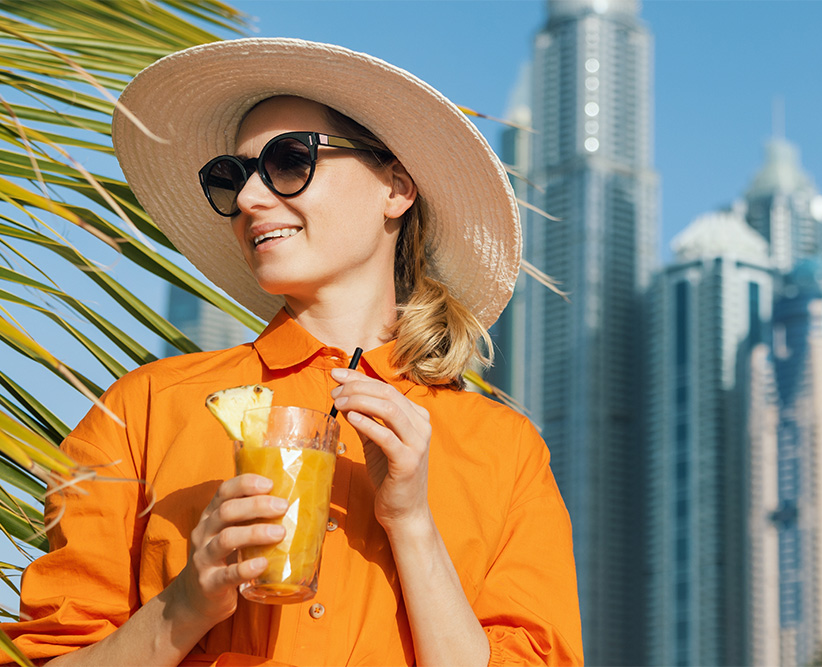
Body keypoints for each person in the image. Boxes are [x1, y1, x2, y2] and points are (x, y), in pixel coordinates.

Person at [3, 38, 583, 666]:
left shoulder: (504, 451)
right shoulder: (143, 410)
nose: (250, 199)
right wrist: (190, 600)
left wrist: (413, 524)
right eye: (231, 178)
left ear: (395, 187)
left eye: (287, 162)